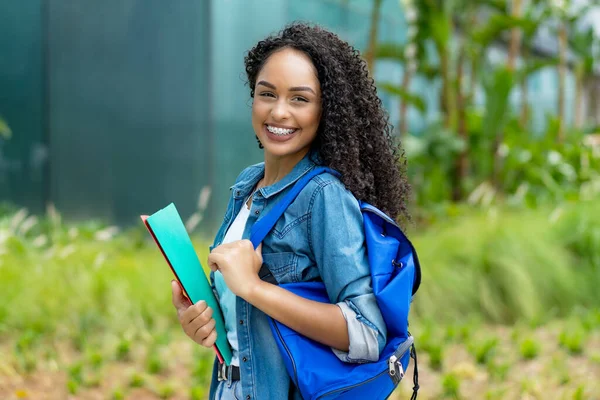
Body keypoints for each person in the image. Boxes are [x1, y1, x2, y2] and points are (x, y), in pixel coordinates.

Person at [170, 22, 411, 400]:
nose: (279, 112)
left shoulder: (323, 196)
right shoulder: (247, 186)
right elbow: (245, 324)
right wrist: (201, 320)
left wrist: (253, 287)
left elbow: (366, 333)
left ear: (324, 110)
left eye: (299, 99)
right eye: (267, 94)